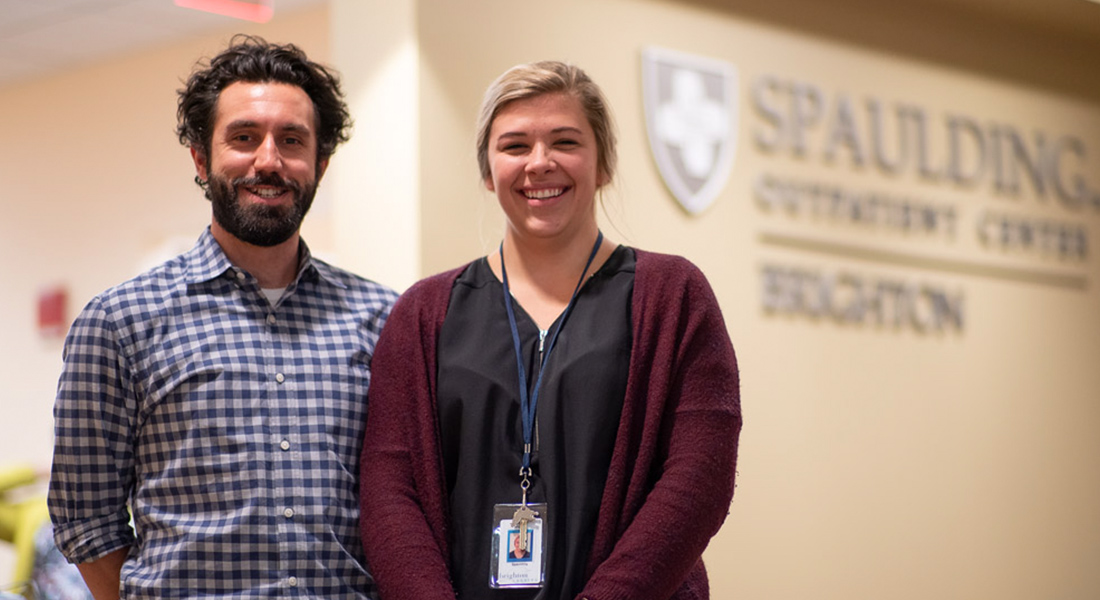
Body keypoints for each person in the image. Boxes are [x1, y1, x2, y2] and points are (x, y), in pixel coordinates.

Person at [359, 61, 741, 600]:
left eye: (565, 141)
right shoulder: (422, 314)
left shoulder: (673, 296)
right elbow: (388, 490)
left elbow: (699, 480)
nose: (540, 163)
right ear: (488, 172)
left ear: (603, 163)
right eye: (515, 146)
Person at [48, 35, 397, 600]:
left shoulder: (384, 319)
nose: (268, 160)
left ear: (321, 163)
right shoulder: (119, 322)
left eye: (292, 140)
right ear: (201, 158)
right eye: (243, 138)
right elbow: (85, 519)